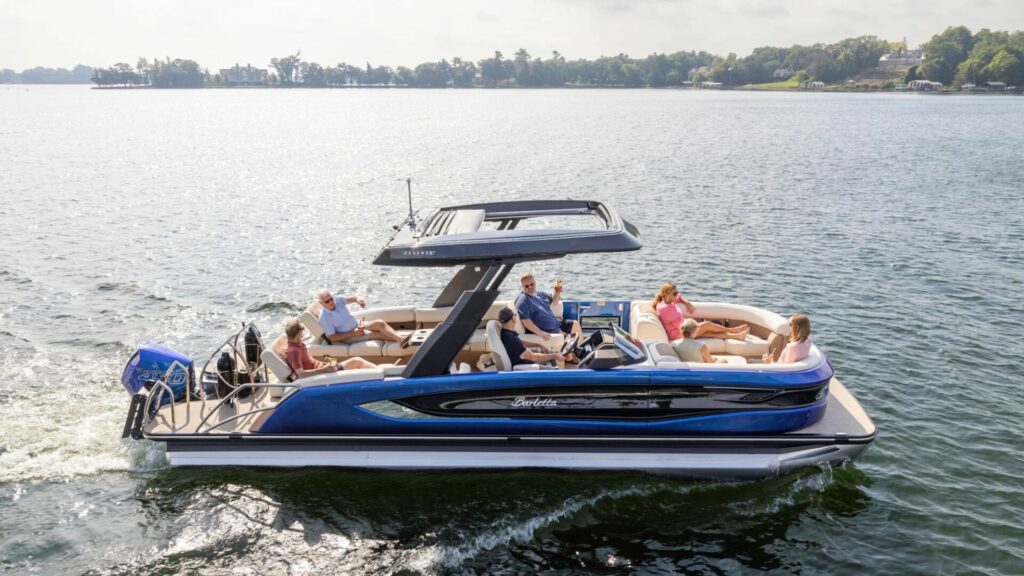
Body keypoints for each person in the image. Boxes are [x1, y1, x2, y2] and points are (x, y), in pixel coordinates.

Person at [652, 283, 748, 341]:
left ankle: (737, 336)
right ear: (666, 294)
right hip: (681, 334)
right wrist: (695, 325)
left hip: (683, 330)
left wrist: (687, 303)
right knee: (707, 325)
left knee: (709, 333)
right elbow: (681, 327)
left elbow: (679, 298)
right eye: (675, 293)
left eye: (677, 292)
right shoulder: (665, 309)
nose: (677, 295)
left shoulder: (667, 301)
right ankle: (733, 330)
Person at [283, 318, 375, 378]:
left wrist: (327, 364)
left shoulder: (298, 343)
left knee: (357, 368)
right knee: (357, 361)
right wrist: (325, 369)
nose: (303, 333)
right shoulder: (294, 351)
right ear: (299, 333)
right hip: (324, 375)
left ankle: (379, 375)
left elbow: (310, 363)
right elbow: (301, 374)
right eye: (302, 331)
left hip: (325, 369)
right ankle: (381, 375)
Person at [317, 289, 410, 346]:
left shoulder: (338, 300)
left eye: (331, 299)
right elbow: (332, 338)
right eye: (327, 301)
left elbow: (353, 298)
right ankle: (403, 340)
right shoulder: (324, 317)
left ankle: (402, 339)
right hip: (349, 336)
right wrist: (352, 334)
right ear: (321, 303)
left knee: (379, 323)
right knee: (378, 335)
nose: (331, 302)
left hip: (357, 324)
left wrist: (358, 300)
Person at [514, 273, 583, 349]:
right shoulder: (523, 301)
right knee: (570, 341)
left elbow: (554, 301)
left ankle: (580, 351)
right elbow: (525, 320)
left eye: (532, 284)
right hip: (547, 330)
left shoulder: (540, 294)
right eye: (526, 286)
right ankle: (574, 353)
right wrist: (540, 333)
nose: (530, 287)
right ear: (523, 287)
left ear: (535, 282)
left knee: (575, 324)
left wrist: (557, 292)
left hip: (557, 324)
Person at [497, 307, 564, 368]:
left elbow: (521, 342)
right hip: (525, 367)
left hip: (524, 361)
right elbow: (532, 357)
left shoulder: (507, 333)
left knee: (551, 357)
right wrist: (554, 355)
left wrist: (538, 345)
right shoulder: (511, 338)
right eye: (514, 315)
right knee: (553, 361)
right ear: (513, 319)